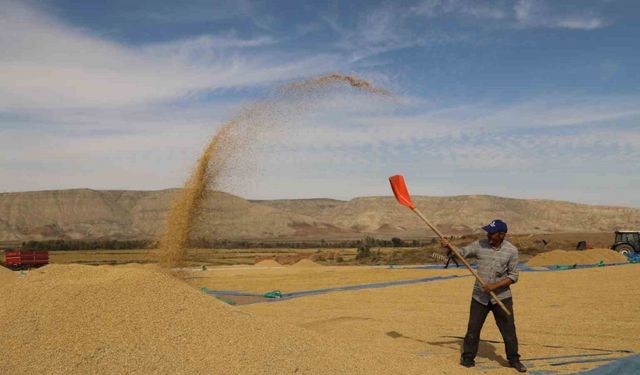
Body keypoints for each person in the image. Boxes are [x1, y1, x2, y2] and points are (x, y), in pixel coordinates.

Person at [441, 219, 527, 373]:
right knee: (473, 328)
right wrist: (449, 247)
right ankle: (467, 358)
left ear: (502, 235)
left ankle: (514, 359)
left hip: (502, 297)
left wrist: (494, 286)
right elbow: (462, 253)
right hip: (479, 297)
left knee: (508, 330)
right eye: (488, 232)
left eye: (492, 233)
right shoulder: (480, 244)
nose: (488, 235)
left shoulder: (511, 251)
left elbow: (514, 276)